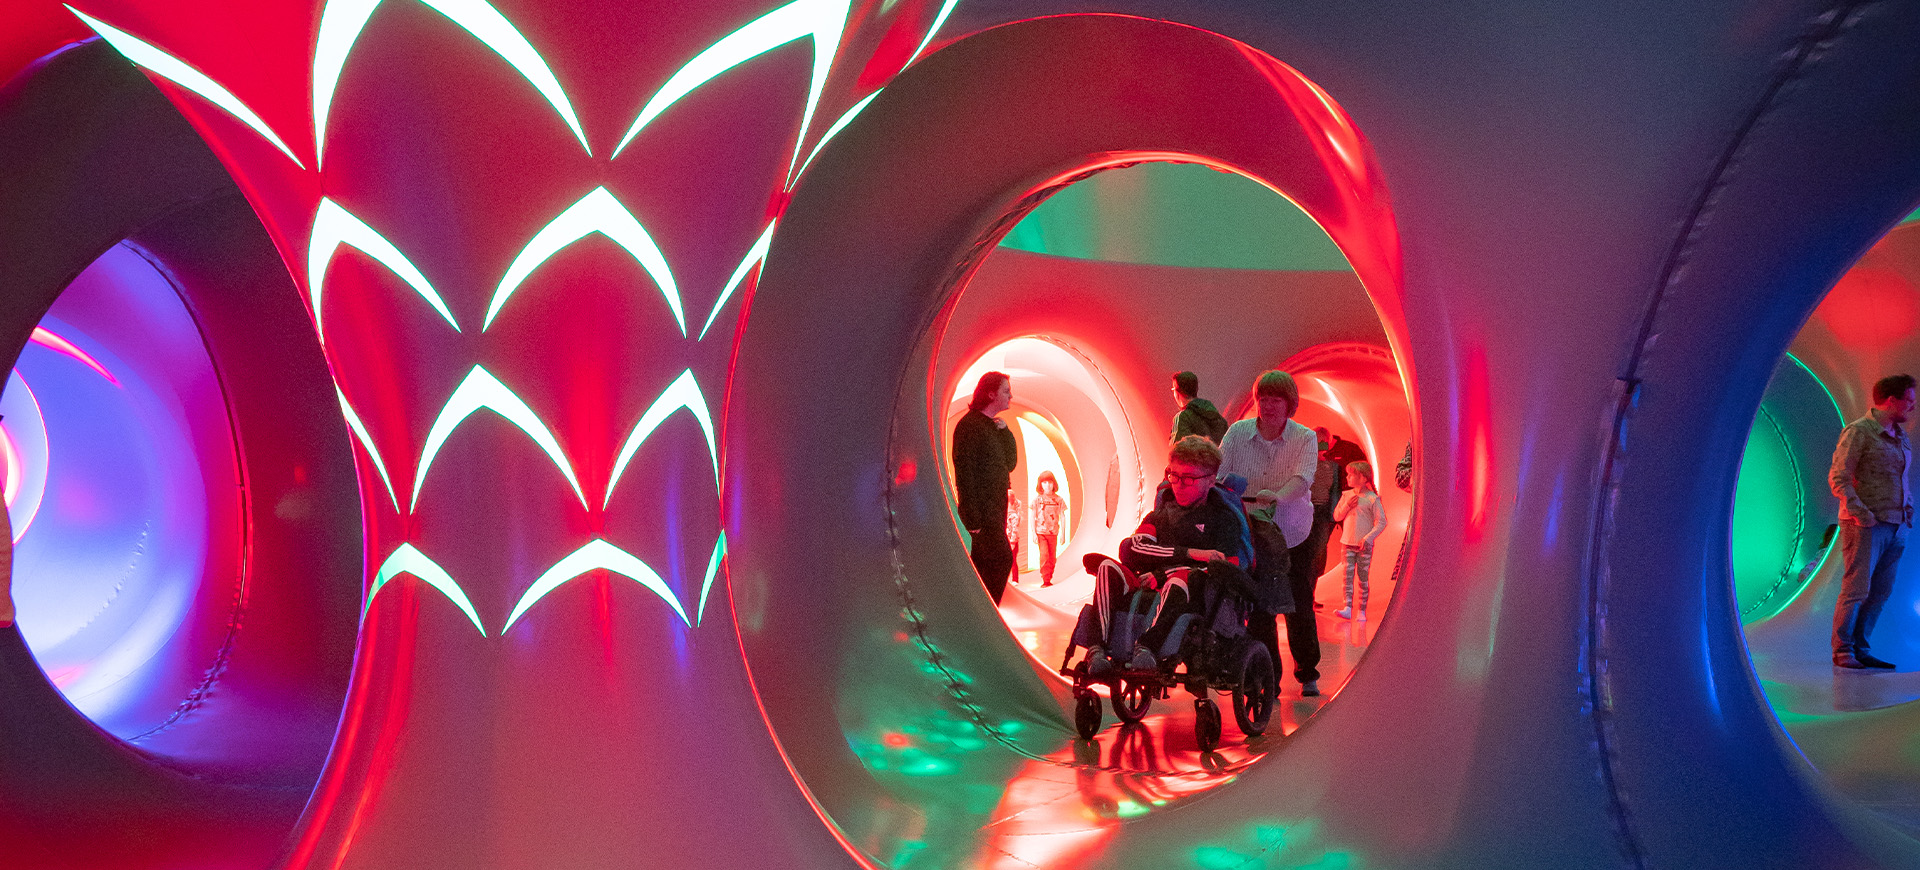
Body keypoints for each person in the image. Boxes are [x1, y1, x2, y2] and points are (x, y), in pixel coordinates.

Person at [1090, 435, 1254, 673]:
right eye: (1173, 476)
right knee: (1106, 568)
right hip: (1147, 585)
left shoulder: (1223, 520)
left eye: (1188, 479)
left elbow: (1223, 566)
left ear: (1210, 480)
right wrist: (1195, 553)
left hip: (1193, 595)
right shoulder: (1161, 514)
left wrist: (1162, 574)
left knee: (1182, 579)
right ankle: (1097, 650)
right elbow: (1133, 549)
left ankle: (1147, 648)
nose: (1178, 485)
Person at [1219, 370, 1323, 696]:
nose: (1268, 405)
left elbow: (1302, 478)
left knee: (1298, 603)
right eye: (1263, 398)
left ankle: (1308, 671)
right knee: (1260, 606)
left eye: (1276, 399)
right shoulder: (1237, 433)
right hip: (1252, 532)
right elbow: (1220, 473)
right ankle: (1268, 678)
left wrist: (1278, 495)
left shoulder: (1304, 437)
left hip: (1292, 532)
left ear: (1289, 404)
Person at [1830, 373, 1916, 670]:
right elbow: (1838, 477)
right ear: (1891, 400)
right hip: (1865, 525)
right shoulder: (1859, 432)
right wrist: (1861, 513)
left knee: (1881, 591)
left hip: (1896, 527)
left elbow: (1901, 478)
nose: (1912, 407)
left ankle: (1861, 648)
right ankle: (1843, 650)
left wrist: (1908, 510)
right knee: (1856, 590)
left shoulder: (1899, 435)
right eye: (1909, 401)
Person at [954, 372, 1017, 603]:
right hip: (983, 512)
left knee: (985, 565)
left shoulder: (992, 427)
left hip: (995, 510)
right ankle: (985, 613)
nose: (1011, 396)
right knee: (1001, 558)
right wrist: (972, 518)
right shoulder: (969, 426)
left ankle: (979, 616)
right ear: (991, 394)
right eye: (1006, 391)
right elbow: (965, 472)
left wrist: (1006, 432)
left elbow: (1010, 463)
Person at [1332, 461, 1385, 619]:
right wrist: (1347, 506)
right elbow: (1337, 516)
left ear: (1362, 478)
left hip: (1363, 546)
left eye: (1351, 474)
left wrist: (1368, 538)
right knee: (1347, 576)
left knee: (1362, 577)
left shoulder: (1372, 499)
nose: (1347, 477)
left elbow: (1381, 521)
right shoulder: (1346, 495)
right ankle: (1347, 607)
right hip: (1347, 542)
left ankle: (1361, 609)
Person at [1306, 428, 1344, 610]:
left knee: (1317, 557)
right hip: (1305, 516)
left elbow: (1334, 493)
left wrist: (1334, 518)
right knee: (1308, 556)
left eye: (1323, 442)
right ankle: (1304, 595)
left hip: (1322, 518)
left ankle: (1309, 595)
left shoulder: (1333, 467)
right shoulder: (1303, 464)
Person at [1171, 371, 1230, 445]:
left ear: (1178, 392)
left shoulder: (1182, 418)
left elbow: (1178, 451)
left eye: (1173, 389)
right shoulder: (1218, 418)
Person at [1033, 471, 1066, 586]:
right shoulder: (1037, 500)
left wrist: (1063, 534)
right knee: (1044, 555)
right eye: (1044, 482)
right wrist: (1033, 533)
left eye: (1050, 482)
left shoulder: (1059, 500)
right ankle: (1045, 578)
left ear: (1054, 484)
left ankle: (1049, 576)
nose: (1047, 485)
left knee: (1052, 557)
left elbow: (1062, 516)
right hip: (1041, 532)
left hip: (1053, 533)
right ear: (1040, 485)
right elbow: (1033, 516)